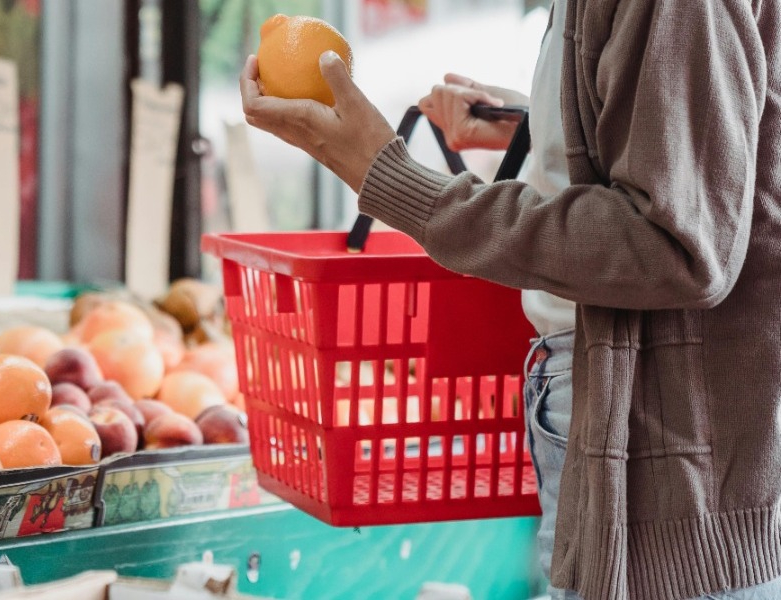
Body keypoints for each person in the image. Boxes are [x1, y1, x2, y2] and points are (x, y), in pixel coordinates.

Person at [239, 1, 781, 599]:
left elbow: (674, 245)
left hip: (657, 469)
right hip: (640, 442)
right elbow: (688, 145)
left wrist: (395, 181)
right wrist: (539, 123)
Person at [417, 4, 575, 595]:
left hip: (612, 384)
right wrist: (531, 125)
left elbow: (665, 234)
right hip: (573, 381)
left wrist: (376, 168)